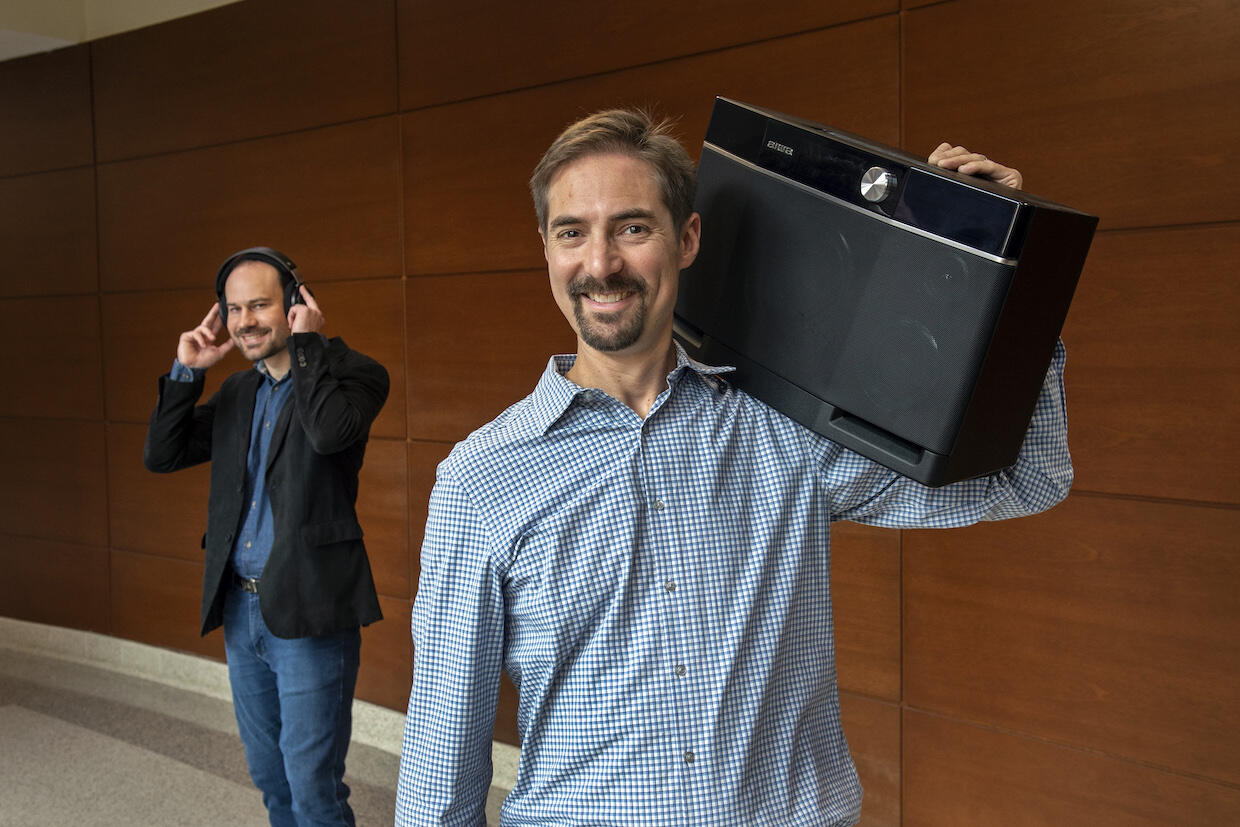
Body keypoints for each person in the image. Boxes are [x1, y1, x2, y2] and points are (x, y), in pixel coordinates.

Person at [394, 110, 1069, 826]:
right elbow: (443, 763)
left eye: (632, 227)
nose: (600, 264)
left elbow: (1024, 479)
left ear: (686, 239)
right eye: (572, 232)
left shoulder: (785, 431)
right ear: (546, 250)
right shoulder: (481, 481)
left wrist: (1018, 278)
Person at [144, 247, 389, 826]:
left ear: (297, 304)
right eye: (234, 309)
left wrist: (307, 349)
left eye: (260, 304)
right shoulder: (237, 393)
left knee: (313, 788)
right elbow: (163, 454)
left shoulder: (356, 374)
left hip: (309, 613)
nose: (245, 321)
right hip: (241, 609)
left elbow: (329, 436)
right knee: (271, 778)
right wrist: (188, 370)